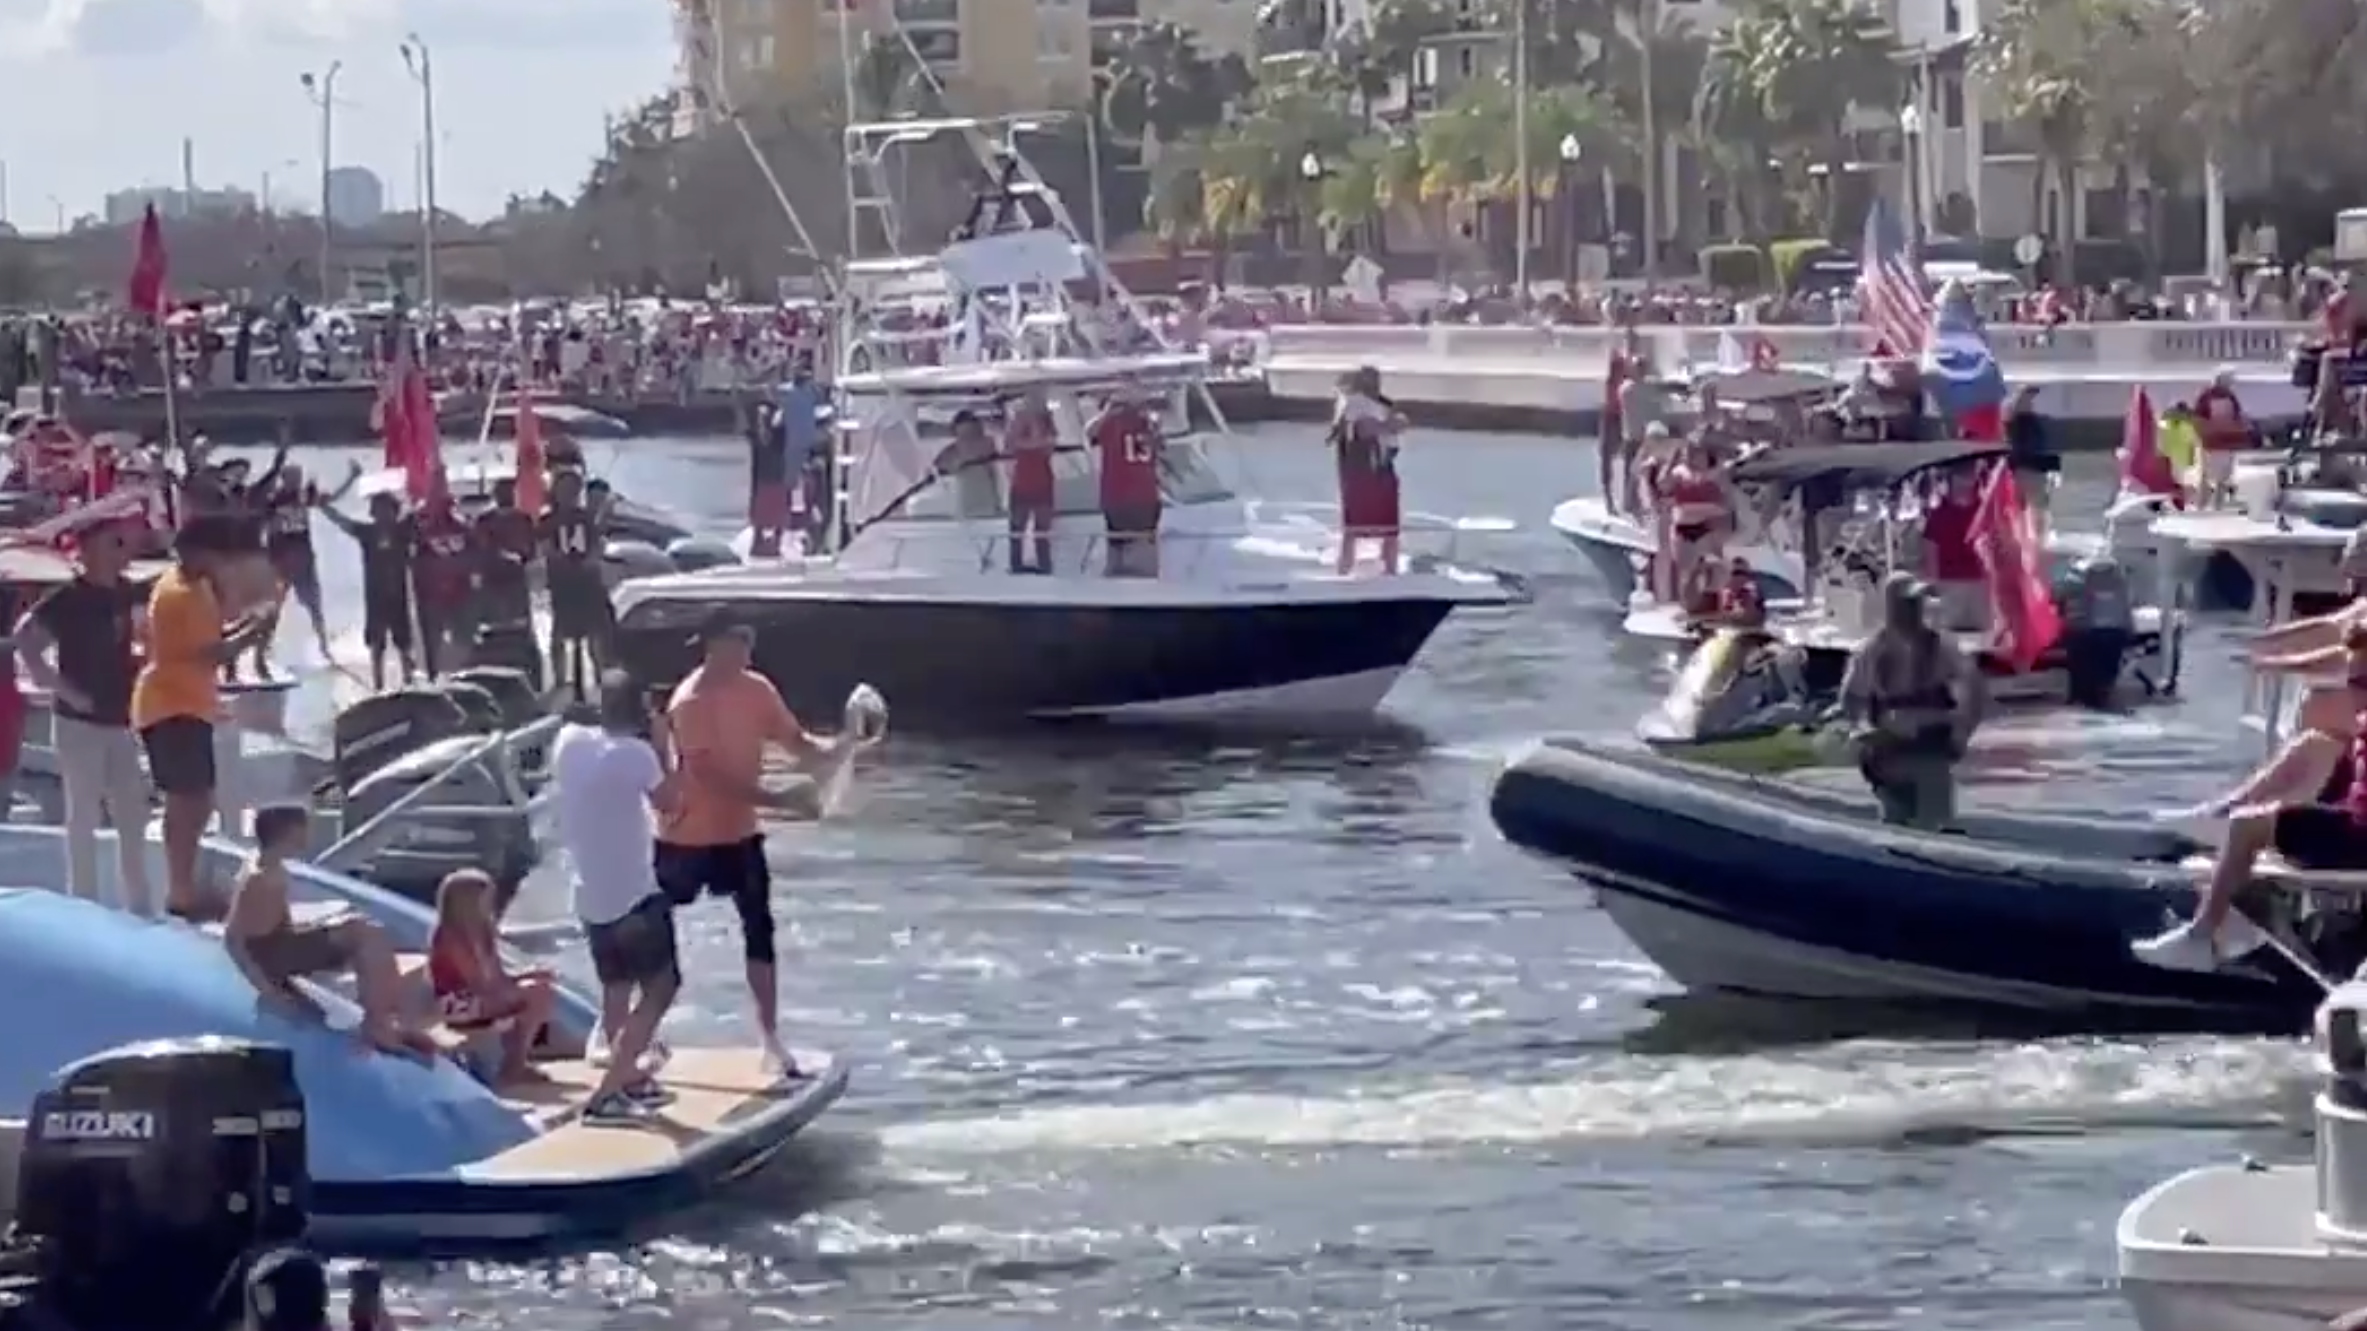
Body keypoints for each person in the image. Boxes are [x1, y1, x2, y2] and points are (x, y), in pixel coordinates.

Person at [658, 610, 851, 1081]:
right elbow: (708, 777)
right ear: (710, 644)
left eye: (750, 641)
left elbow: (796, 743)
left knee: (760, 929)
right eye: (737, 641)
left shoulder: (757, 688)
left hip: (740, 832)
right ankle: (637, 1029)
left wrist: (844, 745)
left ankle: (769, 1037)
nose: (746, 650)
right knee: (654, 925)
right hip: (687, 834)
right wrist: (779, 799)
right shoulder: (690, 701)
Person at [2133, 627, 2367, 972]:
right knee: (2311, 749)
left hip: (2359, 839)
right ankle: (2223, 842)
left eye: (2360, 684)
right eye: (2351, 683)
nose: (2351, 693)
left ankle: (2201, 938)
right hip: (2353, 820)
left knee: (2250, 824)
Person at [551, 671, 682, 1121]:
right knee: (662, 987)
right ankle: (608, 1092)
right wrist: (664, 744)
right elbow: (671, 803)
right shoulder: (637, 754)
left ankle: (630, 1080)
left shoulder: (568, 743)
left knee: (616, 988)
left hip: (589, 893)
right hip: (633, 893)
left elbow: (579, 724)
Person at [134, 517, 275, 920]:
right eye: (218, 555)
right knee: (187, 803)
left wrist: (249, 623)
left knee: (198, 801)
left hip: (189, 703)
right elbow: (210, 654)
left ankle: (185, 887)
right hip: (171, 705)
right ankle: (181, 892)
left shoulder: (197, 587)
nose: (224, 564)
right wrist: (255, 631)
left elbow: (212, 636)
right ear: (199, 552)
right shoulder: (178, 592)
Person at [16, 519, 152, 913]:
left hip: (120, 719)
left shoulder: (126, 593)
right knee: (84, 813)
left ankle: (138, 905)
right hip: (79, 722)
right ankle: (84, 903)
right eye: (115, 542)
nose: (122, 550)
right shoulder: (68, 599)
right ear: (90, 549)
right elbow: (27, 641)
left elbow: (142, 636)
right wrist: (64, 691)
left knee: (132, 811)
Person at [221, 804, 435, 1055]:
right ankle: (378, 1024)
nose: (308, 834)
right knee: (365, 935)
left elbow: (274, 921)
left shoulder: (268, 866)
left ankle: (386, 1018)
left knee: (363, 927)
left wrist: (312, 930)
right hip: (273, 956)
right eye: (303, 829)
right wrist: (270, 992)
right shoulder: (261, 879)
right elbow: (233, 938)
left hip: (279, 943)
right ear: (287, 833)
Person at [1838, 572, 1983, 828]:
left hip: (1931, 748)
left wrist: (1962, 732)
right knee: (1896, 824)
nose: (1914, 610)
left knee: (1937, 824)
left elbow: (1972, 690)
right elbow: (1852, 699)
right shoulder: (1872, 650)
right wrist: (1864, 731)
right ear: (1891, 606)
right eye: (1907, 603)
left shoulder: (1942, 646)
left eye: (1917, 602)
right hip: (1888, 750)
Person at [426, 867, 558, 1083]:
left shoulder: (483, 931)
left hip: (483, 995)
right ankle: (514, 1065)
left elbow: (496, 977)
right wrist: (514, 990)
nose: (491, 903)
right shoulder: (449, 936)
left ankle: (516, 1062)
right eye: (485, 898)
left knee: (541, 987)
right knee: (534, 993)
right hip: (457, 1002)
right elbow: (476, 981)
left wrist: (528, 976)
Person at [318, 489, 418, 690]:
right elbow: (342, 522)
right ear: (373, 513)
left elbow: (420, 508)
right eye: (379, 510)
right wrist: (324, 507)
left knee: (404, 643)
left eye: (387, 510)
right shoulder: (368, 533)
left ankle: (408, 681)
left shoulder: (403, 530)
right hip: (375, 596)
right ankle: (378, 685)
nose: (383, 514)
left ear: (395, 511)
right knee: (376, 643)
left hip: (399, 594)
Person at [539, 468, 610, 699]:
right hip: (562, 583)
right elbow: (544, 547)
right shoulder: (547, 519)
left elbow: (597, 545)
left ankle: (601, 678)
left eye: (573, 488)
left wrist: (591, 560)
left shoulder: (586, 517)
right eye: (564, 488)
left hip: (588, 582)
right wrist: (559, 562)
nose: (568, 493)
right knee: (559, 633)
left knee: (595, 633)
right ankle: (560, 680)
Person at [1331, 365, 1405, 576]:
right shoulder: (1354, 405)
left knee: (1390, 529)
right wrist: (1389, 425)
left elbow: (1394, 425)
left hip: (1381, 471)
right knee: (1353, 528)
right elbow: (1364, 429)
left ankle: (1390, 570)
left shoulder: (1379, 405)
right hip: (1361, 473)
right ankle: (1344, 571)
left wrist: (1392, 424)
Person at [1091, 391, 1163, 577]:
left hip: (1128, 496)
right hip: (1131, 497)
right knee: (1124, 548)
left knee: (1133, 550)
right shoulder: (1146, 424)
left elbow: (1090, 433)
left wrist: (1108, 412)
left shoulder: (1138, 424)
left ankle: (1131, 584)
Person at [411, 494, 472, 677]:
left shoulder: (425, 533)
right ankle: (439, 674)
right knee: (438, 639)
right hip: (439, 596)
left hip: (451, 595)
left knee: (451, 638)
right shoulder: (461, 529)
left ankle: (448, 673)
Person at [1003, 390, 1058, 575]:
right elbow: (1011, 444)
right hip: (1021, 482)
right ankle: (1016, 566)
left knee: (1042, 530)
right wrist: (1034, 439)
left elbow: (1049, 444)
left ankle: (1044, 565)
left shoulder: (1048, 422)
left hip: (1043, 481)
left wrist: (1035, 437)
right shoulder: (1017, 422)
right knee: (1017, 529)